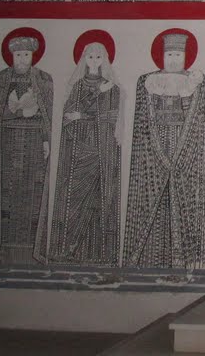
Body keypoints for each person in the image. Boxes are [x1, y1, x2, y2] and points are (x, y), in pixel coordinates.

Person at [123, 32, 205, 267]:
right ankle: (149, 259)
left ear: (186, 56)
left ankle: (186, 260)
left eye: (178, 54)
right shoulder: (149, 81)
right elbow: (143, 119)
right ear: (161, 56)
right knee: (153, 200)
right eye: (169, 54)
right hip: (155, 146)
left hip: (184, 145)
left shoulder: (197, 80)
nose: (173, 59)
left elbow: (199, 117)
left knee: (183, 198)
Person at [0, 33, 53, 264]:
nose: (22, 60)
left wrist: (47, 138)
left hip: (35, 143)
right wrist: (13, 112)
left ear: (33, 56)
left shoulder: (44, 80)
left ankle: (30, 247)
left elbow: (48, 115)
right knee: (6, 189)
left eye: (26, 55)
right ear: (11, 55)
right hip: (6, 142)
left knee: (31, 189)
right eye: (18, 55)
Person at [48, 40, 123, 264]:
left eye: (98, 57)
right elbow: (68, 114)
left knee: (99, 201)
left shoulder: (113, 88)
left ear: (105, 60)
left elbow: (112, 118)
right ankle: (66, 250)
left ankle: (99, 254)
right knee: (73, 201)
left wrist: (84, 116)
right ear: (83, 59)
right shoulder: (77, 86)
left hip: (101, 150)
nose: (94, 61)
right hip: (78, 151)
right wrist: (87, 106)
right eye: (90, 57)